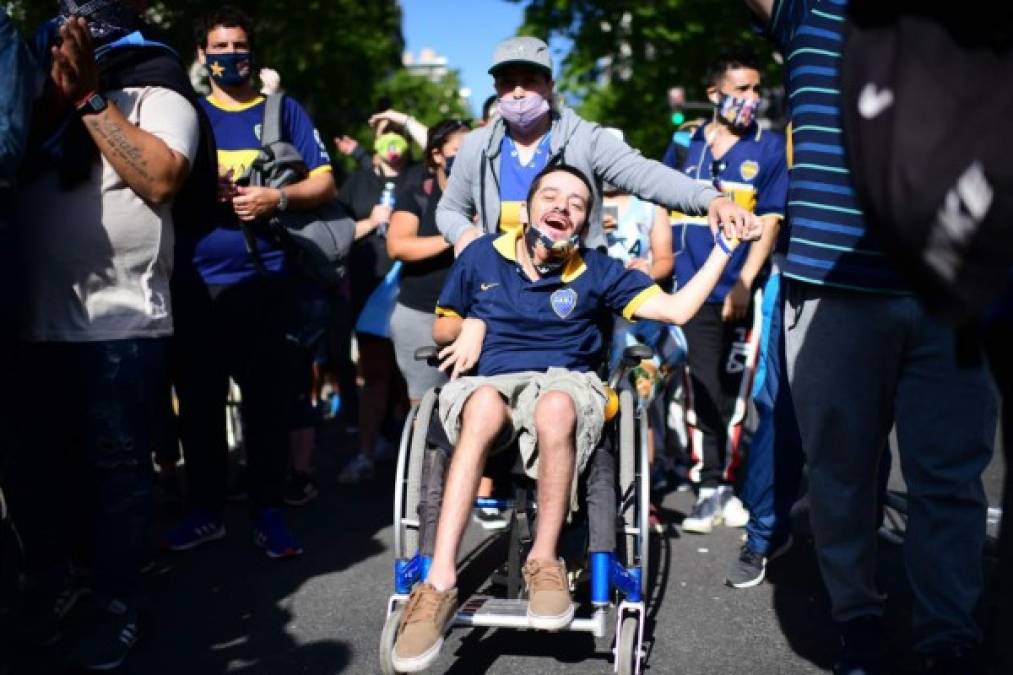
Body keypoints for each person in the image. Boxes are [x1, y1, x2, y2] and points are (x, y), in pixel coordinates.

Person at [390, 164, 762, 672]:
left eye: (576, 202)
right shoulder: (481, 255)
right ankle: (438, 586)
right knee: (479, 406)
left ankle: (546, 561)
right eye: (551, 195)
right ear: (528, 207)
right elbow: (441, 326)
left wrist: (723, 249)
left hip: (567, 383)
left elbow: (677, 310)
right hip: (492, 386)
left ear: (587, 221)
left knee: (557, 404)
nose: (562, 206)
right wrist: (466, 326)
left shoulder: (600, 270)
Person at [747, 1, 998, 672]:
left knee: (947, 477)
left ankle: (948, 630)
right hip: (833, 288)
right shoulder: (806, 8)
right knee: (841, 474)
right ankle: (855, 614)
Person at [9, 2, 200, 668]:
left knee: (117, 473)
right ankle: (53, 583)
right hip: (29, 318)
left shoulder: (157, 81)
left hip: (119, 323)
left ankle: (118, 601)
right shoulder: (28, 92)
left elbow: (160, 176)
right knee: (34, 472)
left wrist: (89, 96)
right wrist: (53, 98)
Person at [165, 5, 336, 559]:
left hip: (268, 282)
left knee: (267, 407)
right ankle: (206, 512)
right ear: (201, 55)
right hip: (196, 283)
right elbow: (158, 180)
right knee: (199, 404)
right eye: (219, 47)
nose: (230, 56)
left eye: (239, 46)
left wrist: (276, 198)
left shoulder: (284, 111)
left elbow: (326, 182)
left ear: (252, 51)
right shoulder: (186, 114)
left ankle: (269, 512)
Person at [436, 36, 758, 256]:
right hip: (499, 300)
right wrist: (465, 236)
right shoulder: (477, 146)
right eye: (508, 83)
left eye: (530, 81)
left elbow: (646, 174)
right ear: (496, 88)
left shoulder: (585, 139)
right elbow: (450, 210)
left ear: (550, 86)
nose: (518, 92)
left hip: (572, 300)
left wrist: (711, 201)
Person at [668, 48, 787, 536]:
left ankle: (731, 483)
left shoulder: (770, 146)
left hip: (738, 292)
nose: (752, 99)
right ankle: (708, 485)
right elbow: (658, 199)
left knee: (736, 396)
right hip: (688, 290)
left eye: (757, 89)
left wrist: (743, 282)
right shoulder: (682, 141)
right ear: (714, 94)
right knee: (702, 389)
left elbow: (772, 221)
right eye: (742, 90)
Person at [337, 115, 424, 484]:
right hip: (369, 290)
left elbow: (439, 146)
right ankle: (367, 454)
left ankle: (419, 461)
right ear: (373, 143)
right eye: (386, 136)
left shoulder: (419, 177)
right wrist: (371, 224)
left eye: (400, 137)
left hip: (416, 289)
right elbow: (337, 233)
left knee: (414, 379)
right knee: (375, 375)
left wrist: (405, 120)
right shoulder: (357, 183)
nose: (393, 142)